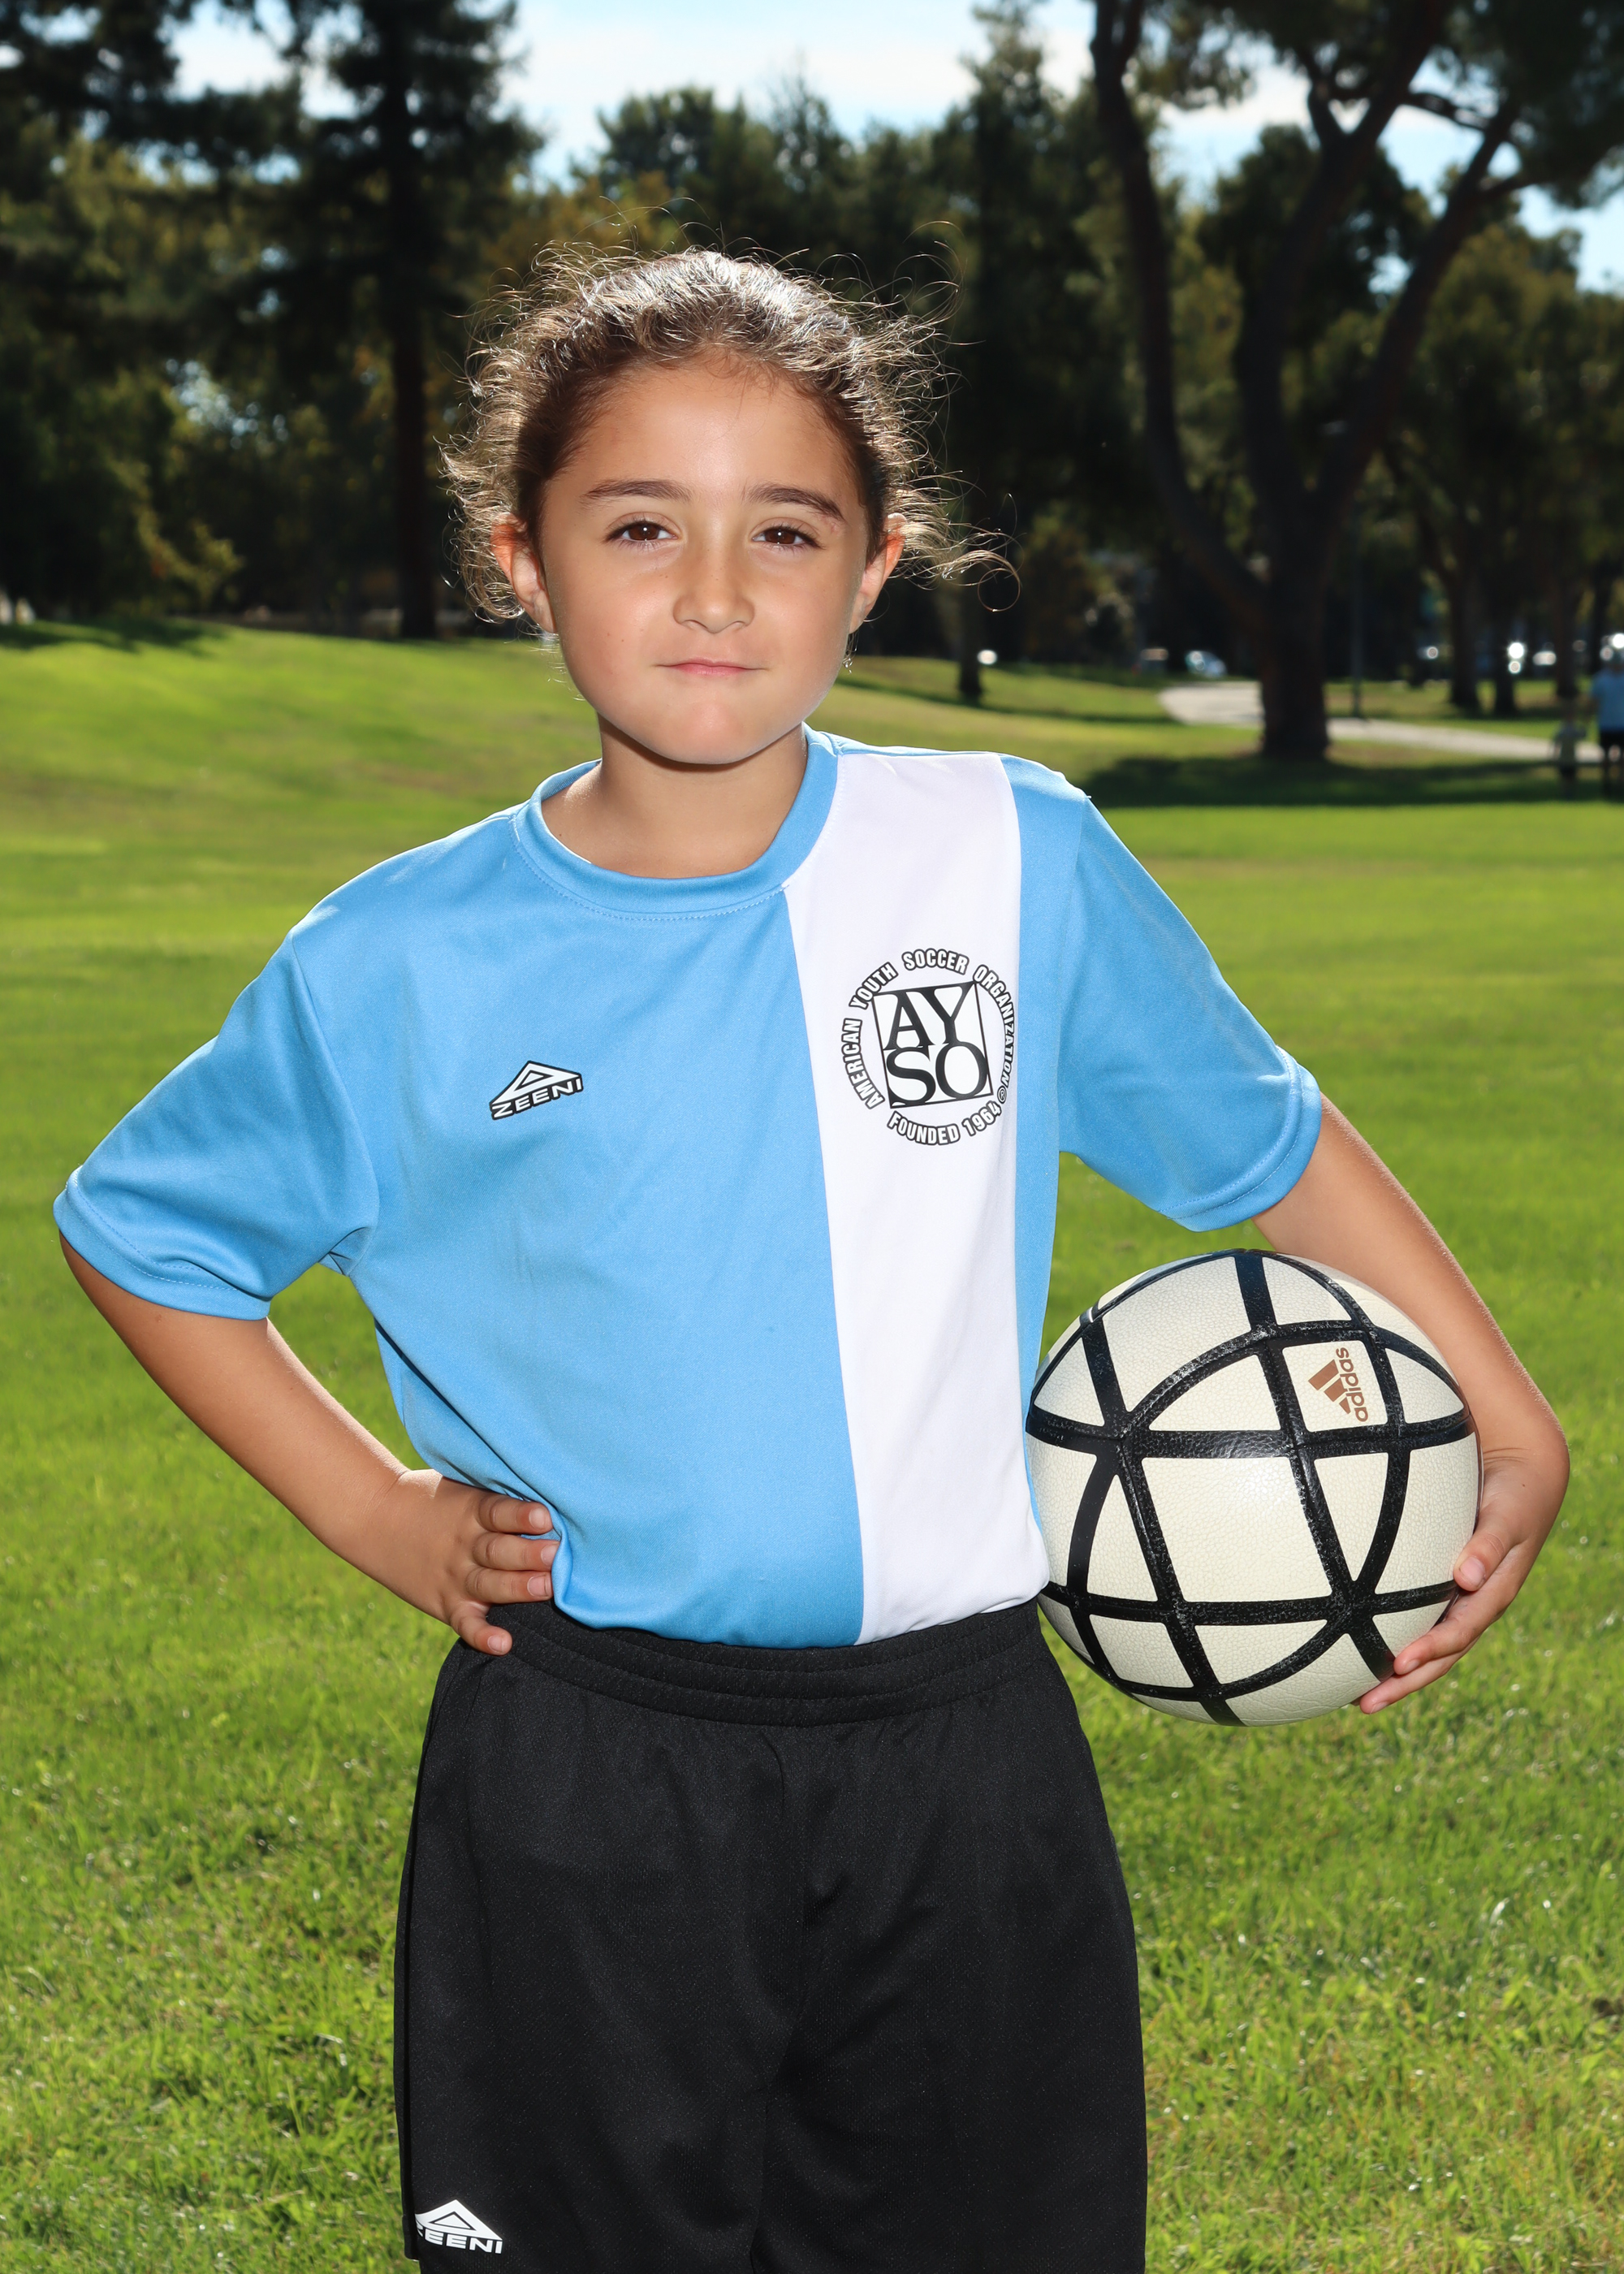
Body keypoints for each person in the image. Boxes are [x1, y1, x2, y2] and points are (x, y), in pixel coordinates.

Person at [54, 249, 1569, 2274]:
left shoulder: (1007, 856)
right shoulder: (399, 959)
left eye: (781, 530)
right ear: (521, 561)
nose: (711, 591)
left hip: (969, 1756)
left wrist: (1503, 1406)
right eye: (637, 527)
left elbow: (1258, 1138)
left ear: (872, 570)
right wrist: (380, 1514)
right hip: (587, 1764)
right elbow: (147, 1235)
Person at [1590, 640, 1624, 789]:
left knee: (1622, 756)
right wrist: (1589, 717)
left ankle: (1620, 780)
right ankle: (1606, 781)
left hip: (1622, 723)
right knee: (1605, 755)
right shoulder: (1602, 679)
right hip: (1606, 723)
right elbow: (1594, 701)